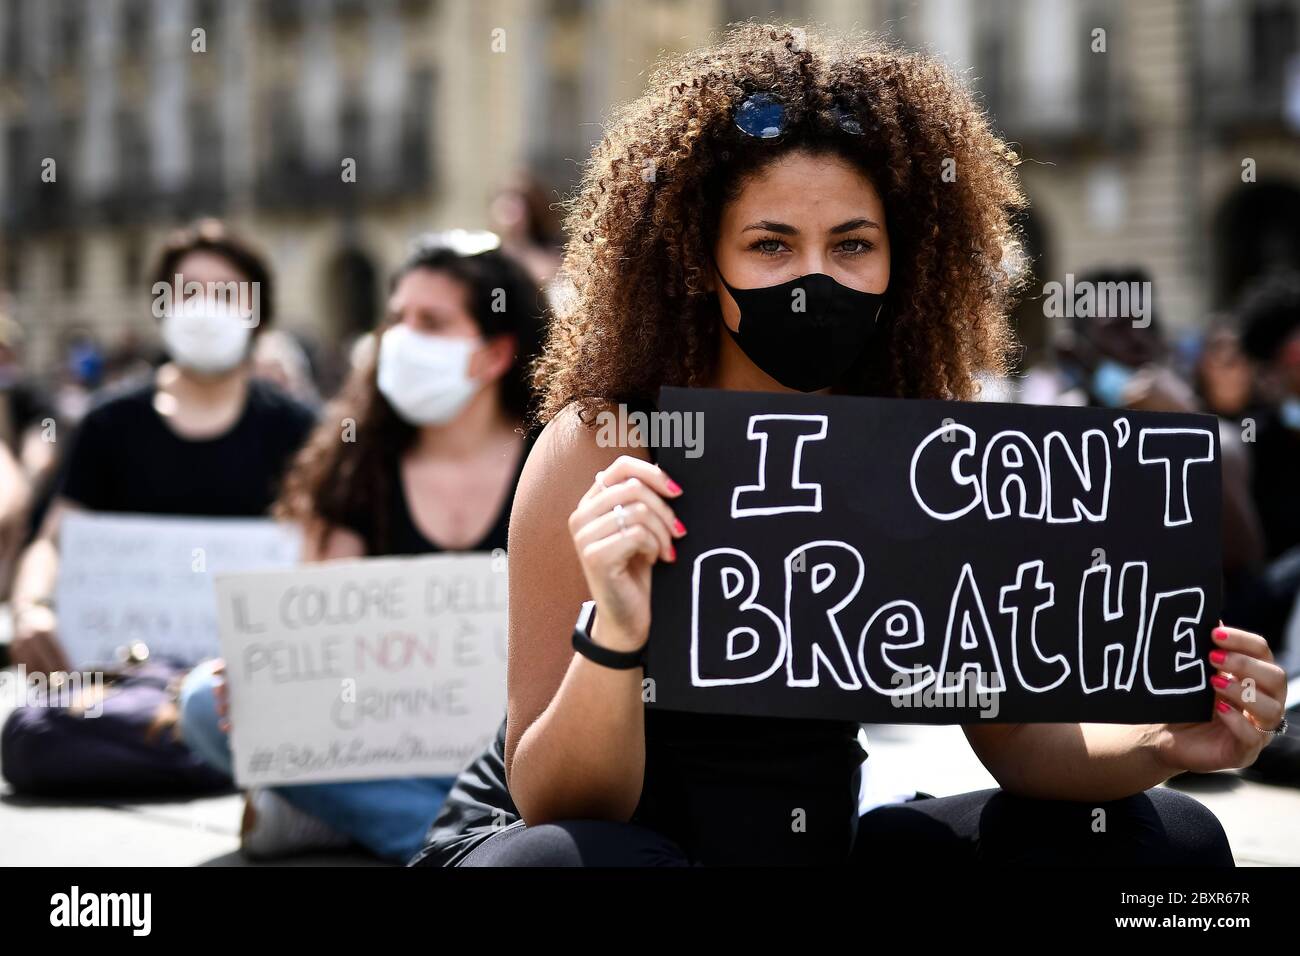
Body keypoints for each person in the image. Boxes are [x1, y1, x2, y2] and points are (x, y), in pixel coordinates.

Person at [414, 24, 1284, 867]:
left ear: (901, 262)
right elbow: (560, 807)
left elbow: (1019, 741)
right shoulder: (604, 443)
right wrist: (615, 631)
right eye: (770, 245)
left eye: (852, 245)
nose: (813, 280)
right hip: (574, 842)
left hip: (812, 844)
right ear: (693, 260)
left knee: (1170, 836)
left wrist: (1166, 740)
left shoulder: (923, 447)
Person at [175, 231, 547, 862]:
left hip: (514, 746)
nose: (401, 338)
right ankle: (451, 841)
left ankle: (362, 816)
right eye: (396, 317)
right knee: (203, 708)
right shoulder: (357, 462)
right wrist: (259, 674)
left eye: (431, 321)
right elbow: (323, 631)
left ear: (495, 354)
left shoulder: (551, 457)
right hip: (388, 745)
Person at [8, 219, 316, 675]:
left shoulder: (300, 429)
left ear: (258, 315)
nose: (205, 307)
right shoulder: (110, 422)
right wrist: (31, 607)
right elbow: (54, 543)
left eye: (226, 294)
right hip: (120, 685)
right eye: (187, 292)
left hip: (256, 684)